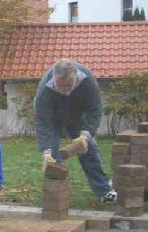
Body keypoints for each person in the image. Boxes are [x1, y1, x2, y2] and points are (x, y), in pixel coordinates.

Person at [34, 58, 117, 203]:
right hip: (51, 116)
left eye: (67, 85)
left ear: (75, 77)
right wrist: (46, 151)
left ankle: (104, 191)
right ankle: (53, 199)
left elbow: (95, 110)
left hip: (76, 113)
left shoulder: (87, 80)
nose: (63, 88)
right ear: (54, 76)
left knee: (88, 149)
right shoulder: (46, 88)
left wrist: (85, 135)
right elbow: (43, 122)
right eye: (60, 85)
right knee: (52, 157)